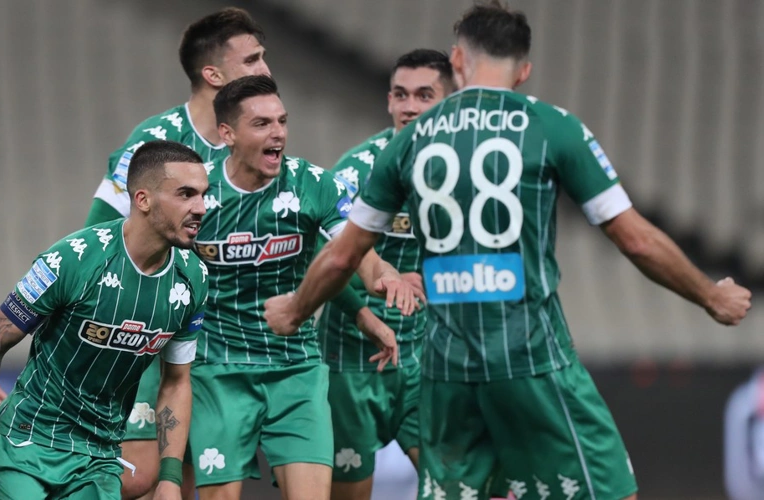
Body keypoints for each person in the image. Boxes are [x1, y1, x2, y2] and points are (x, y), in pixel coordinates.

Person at [264, 2, 753, 499]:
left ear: (457, 61)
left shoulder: (409, 143)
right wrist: (710, 296)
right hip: (531, 356)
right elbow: (636, 239)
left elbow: (343, 255)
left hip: (447, 367)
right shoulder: (551, 127)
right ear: (523, 71)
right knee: (612, 491)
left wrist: (295, 309)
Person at [188, 74, 414, 500]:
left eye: (282, 121)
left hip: (295, 367)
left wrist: (383, 275)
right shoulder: (197, 194)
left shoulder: (315, 185)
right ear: (227, 133)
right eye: (262, 124)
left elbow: (353, 255)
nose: (278, 133)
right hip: (219, 368)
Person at [0, 141, 210, 500]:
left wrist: (169, 477)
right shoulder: (72, 260)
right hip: (26, 442)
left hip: (99, 459)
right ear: (143, 199)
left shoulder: (193, 278)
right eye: (186, 194)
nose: (201, 208)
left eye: (203, 195)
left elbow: (176, 381)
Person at [83, 9, 268, 498]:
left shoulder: (253, 143)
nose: (265, 69)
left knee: (193, 481)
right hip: (157, 335)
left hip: (228, 346)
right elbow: (97, 235)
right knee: (142, 474)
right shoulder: (155, 141)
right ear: (214, 74)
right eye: (252, 59)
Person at [319, 48, 456, 500]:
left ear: (450, 102)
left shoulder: (469, 173)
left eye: (424, 95)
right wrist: (365, 309)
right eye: (400, 94)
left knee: (455, 488)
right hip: (352, 364)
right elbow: (325, 259)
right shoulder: (357, 170)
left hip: (427, 362)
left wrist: (437, 280)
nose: (409, 106)